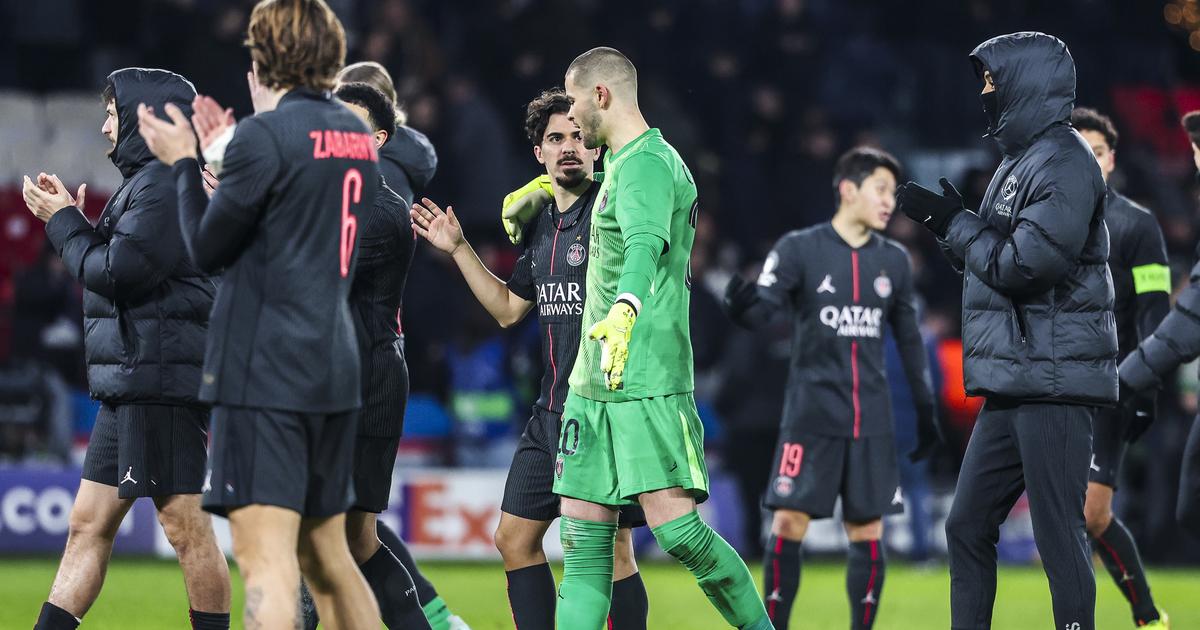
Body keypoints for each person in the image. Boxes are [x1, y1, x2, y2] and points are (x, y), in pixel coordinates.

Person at [137, 0, 381, 627]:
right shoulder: (355, 135)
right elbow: (292, 201)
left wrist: (185, 162)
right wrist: (227, 147)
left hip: (266, 371)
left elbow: (207, 247)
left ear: (265, 55)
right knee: (327, 555)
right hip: (335, 365)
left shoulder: (264, 138)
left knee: (264, 554)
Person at [897, 32, 1114, 630]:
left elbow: (1025, 266)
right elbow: (988, 261)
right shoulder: (1018, 162)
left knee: (1057, 532)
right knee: (966, 525)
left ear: (1027, 83)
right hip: (1016, 378)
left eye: (993, 81)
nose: (986, 93)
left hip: (1054, 379)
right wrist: (952, 228)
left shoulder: (1068, 162)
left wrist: (957, 223)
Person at [548, 46, 770, 629]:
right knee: (585, 548)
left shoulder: (649, 164)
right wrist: (540, 191)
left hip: (645, 375)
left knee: (680, 535)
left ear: (601, 95)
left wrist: (624, 308)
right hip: (593, 381)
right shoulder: (624, 164)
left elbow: (646, 243)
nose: (572, 119)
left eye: (574, 102)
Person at [411, 87, 649, 630]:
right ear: (538, 152)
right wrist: (458, 249)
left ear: (596, 149)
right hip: (550, 411)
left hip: (606, 410)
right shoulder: (542, 227)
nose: (568, 147)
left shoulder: (612, 213)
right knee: (513, 539)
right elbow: (508, 310)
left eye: (577, 137)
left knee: (614, 552)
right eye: (554, 138)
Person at [21, 67, 230, 630]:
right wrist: (77, 222)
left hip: (158, 379)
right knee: (88, 524)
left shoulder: (162, 187)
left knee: (186, 527)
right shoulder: (150, 185)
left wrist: (63, 221)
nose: (106, 126)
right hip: (134, 379)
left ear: (145, 120)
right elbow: (123, 268)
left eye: (113, 114)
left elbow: (117, 273)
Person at [723, 147, 940, 630]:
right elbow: (766, 309)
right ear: (848, 189)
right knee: (787, 523)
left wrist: (926, 413)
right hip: (811, 416)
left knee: (867, 530)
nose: (889, 202)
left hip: (872, 422)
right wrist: (741, 310)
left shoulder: (896, 262)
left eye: (893, 193)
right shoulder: (800, 248)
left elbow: (908, 341)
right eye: (881, 190)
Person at [1071, 106, 1170, 628]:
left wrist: (1143, 386)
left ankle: (1148, 615)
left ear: (1112, 160)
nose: (1089, 160)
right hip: (1051, 383)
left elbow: (1155, 316)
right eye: (1079, 150)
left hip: (1112, 387)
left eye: (1098, 151)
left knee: (1092, 514)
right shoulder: (1048, 217)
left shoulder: (1137, 225)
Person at [1121, 109, 1200, 540]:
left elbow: (1181, 322)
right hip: (1158, 387)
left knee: (1183, 492)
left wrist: (1120, 382)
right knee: (1178, 493)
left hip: (1160, 384)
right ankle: (1157, 539)